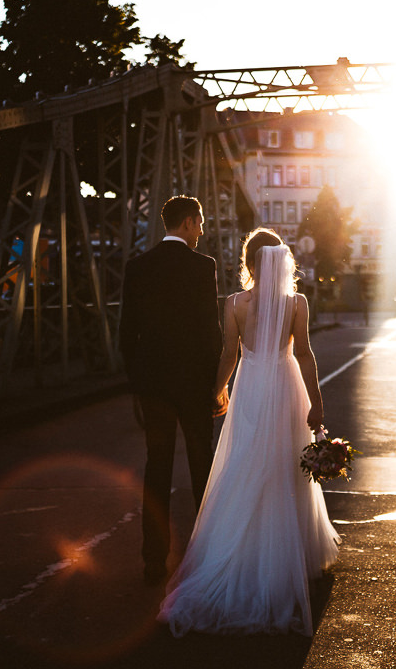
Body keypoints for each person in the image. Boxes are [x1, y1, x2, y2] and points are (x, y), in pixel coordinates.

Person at [158, 228, 340, 636]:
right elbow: (306, 354)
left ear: (250, 262)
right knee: (286, 467)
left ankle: (239, 552)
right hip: (287, 385)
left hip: (252, 387)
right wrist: (317, 401)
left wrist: (217, 390)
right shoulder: (297, 303)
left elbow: (229, 353)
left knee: (245, 464)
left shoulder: (236, 303)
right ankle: (288, 558)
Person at [119, 195, 223, 586]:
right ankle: (208, 553)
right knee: (202, 470)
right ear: (189, 222)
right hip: (194, 384)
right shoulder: (203, 266)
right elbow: (209, 330)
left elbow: (127, 332)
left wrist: (139, 379)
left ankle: (153, 559)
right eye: (199, 224)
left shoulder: (138, 267)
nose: (201, 231)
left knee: (156, 469)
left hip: (155, 386)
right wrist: (217, 384)